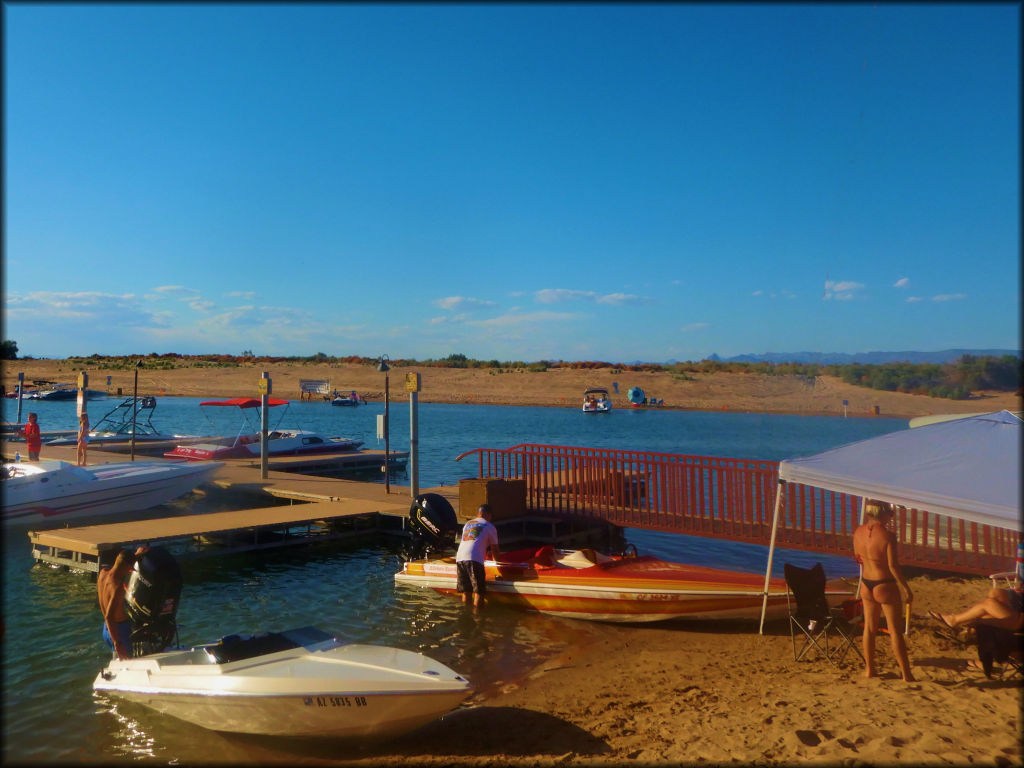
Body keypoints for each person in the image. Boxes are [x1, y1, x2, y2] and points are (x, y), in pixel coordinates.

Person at [852, 500, 915, 682]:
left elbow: (858, 558)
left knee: (870, 628)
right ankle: (906, 674)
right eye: (890, 513)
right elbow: (893, 566)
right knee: (894, 631)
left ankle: (870, 670)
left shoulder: (857, 532)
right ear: (883, 514)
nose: (891, 517)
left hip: (866, 582)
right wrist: (906, 589)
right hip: (884, 583)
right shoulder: (888, 536)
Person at [97, 546, 147, 660]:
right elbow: (109, 617)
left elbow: (123, 561)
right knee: (128, 665)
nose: (131, 571)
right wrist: (117, 643)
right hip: (119, 631)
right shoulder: (117, 587)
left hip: (106, 630)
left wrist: (136, 554)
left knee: (118, 663)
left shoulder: (102, 574)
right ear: (126, 567)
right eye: (130, 568)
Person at [455, 503, 499, 609]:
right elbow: (495, 550)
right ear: (489, 515)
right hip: (474, 559)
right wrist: (498, 567)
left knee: (466, 591)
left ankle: (466, 614)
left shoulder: (468, 524)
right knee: (479, 592)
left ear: (478, 514)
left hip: (460, 558)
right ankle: (477, 616)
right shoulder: (489, 526)